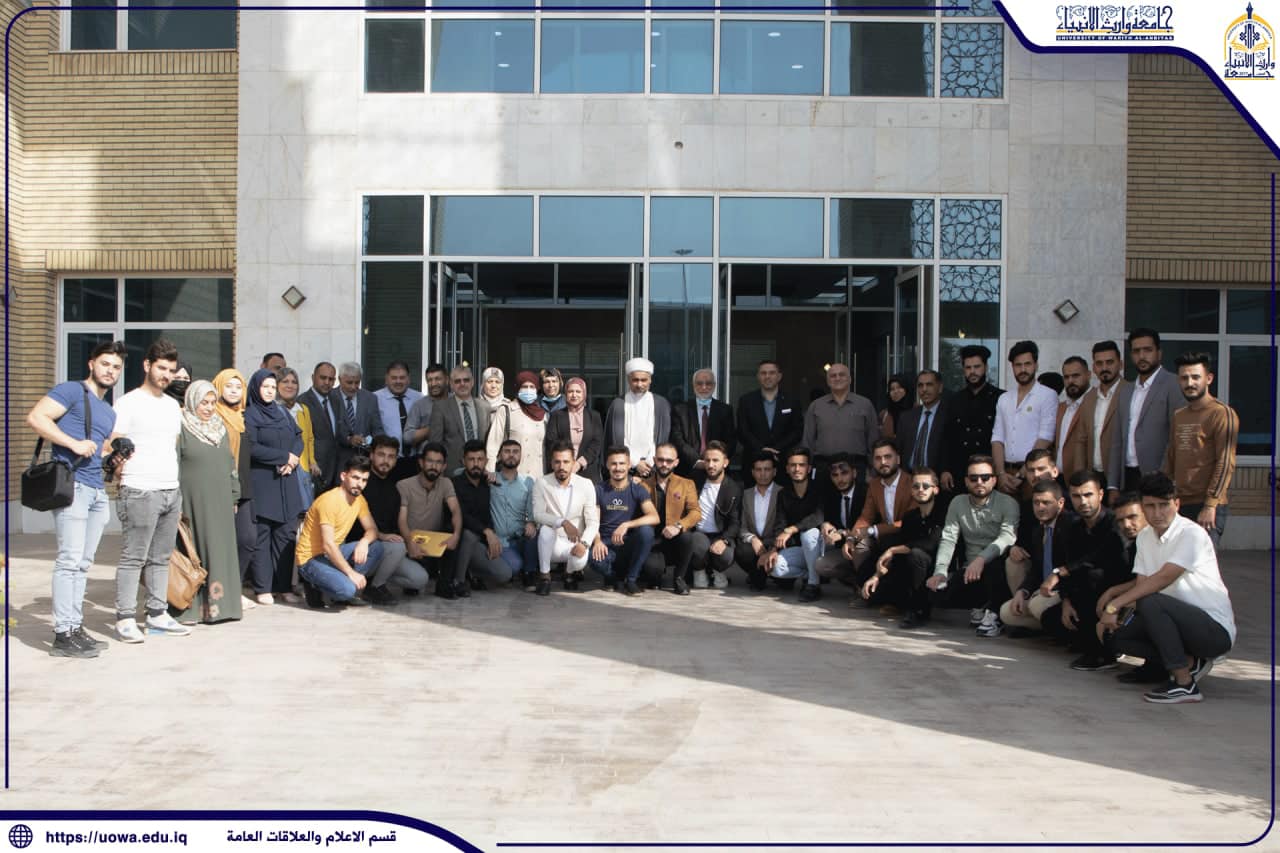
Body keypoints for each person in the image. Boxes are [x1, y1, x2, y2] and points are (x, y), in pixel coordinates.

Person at [1098, 473, 1236, 704]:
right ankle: (1189, 662)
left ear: (1177, 504)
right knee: (1117, 637)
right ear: (1143, 507)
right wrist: (1110, 616)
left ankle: (1185, 684)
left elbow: (1163, 578)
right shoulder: (1145, 537)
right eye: (1150, 506)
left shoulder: (1191, 534)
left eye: (1164, 505)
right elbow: (1142, 584)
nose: (1157, 513)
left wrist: (1114, 604)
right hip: (1174, 622)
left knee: (1151, 601)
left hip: (1213, 631)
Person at [26, 339, 124, 657]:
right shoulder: (71, 391)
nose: (110, 371)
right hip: (73, 487)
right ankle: (62, 634)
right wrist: (73, 443)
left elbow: (99, 449)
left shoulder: (108, 411)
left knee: (83, 564)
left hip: (97, 491)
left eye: (116, 367)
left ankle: (75, 625)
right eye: (105, 364)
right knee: (68, 561)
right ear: (91, 364)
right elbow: (37, 417)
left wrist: (115, 457)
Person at [106, 337, 191, 642]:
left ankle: (157, 614)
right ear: (147, 366)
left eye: (170, 370)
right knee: (134, 557)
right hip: (139, 489)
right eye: (161, 368)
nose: (166, 375)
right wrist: (119, 469)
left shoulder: (172, 406)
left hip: (170, 489)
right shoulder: (128, 402)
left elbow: (172, 446)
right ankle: (125, 618)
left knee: (161, 557)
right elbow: (112, 442)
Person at [926, 455, 1019, 638]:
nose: (979, 482)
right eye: (974, 478)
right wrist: (940, 571)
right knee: (937, 595)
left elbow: (1007, 537)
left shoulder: (1008, 503)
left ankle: (994, 614)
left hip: (998, 566)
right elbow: (949, 539)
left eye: (985, 477)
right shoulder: (958, 502)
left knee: (995, 565)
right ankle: (981, 605)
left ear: (994, 480)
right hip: (970, 570)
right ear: (966, 481)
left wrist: (981, 559)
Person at [173, 380, 242, 624]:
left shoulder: (219, 428)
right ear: (192, 402)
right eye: (204, 402)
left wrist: (234, 494)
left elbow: (230, 463)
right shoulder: (181, 428)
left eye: (213, 403)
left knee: (219, 550)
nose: (209, 408)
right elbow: (174, 464)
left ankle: (221, 607)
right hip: (192, 502)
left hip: (220, 501)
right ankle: (192, 609)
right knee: (194, 552)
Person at [1163, 351, 1238, 550]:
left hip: (1207, 505)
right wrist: (1164, 497)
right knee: (1177, 561)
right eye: (1184, 378)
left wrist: (1210, 504)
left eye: (1196, 377)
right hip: (1179, 503)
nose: (1190, 383)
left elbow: (1225, 462)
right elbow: (1171, 457)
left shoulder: (1222, 413)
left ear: (1209, 378)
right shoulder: (1179, 415)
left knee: (1201, 563)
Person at [861, 467, 950, 629]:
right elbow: (902, 547)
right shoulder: (910, 517)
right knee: (872, 581)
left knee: (916, 554)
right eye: (916, 486)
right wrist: (876, 575)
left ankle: (919, 610)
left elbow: (931, 543)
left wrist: (892, 550)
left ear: (935, 490)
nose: (920, 490)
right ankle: (900, 601)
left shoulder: (944, 512)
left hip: (939, 571)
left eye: (925, 486)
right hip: (913, 570)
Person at [245, 368, 304, 605]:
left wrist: (293, 459)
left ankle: (284, 587)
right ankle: (263, 588)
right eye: (265, 387)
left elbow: (298, 437)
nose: (269, 391)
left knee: (286, 534)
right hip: (264, 482)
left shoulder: (281, 412)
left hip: (286, 481)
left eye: (272, 387)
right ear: (255, 388)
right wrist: (283, 457)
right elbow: (251, 447)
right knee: (263, 536)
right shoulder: (251, 414)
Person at [348, 435, 430, 605]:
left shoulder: (394, 489)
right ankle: (375, 587)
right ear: (371, 455)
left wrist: (411, 544)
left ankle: (376, 578)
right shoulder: (361, 482)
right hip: (359, 548)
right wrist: (382, 536)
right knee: (397, 546)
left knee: (419, 579)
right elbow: (354, 523)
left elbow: (396, 526)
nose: (386, 461)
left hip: (385, 550)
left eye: (391, 456)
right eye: (381, 455)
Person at [295, 456, 385, 608]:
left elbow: (372, 530)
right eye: (355, 478)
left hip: (332, 552)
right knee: (347, 590)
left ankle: (338, 582)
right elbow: (328, 545)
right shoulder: (329, 501)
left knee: (376, 547)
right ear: (343, 476)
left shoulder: (359, 500)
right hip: (310, 559)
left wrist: (364, 542)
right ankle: (314, 584)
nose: (360, 484)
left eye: (364, 480)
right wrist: (351, 573)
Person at [832, 441, 912, 600]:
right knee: (860, 545)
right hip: (883, 539)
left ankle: (889, 597)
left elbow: (909, 521)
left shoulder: (911, 483)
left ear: (898, 459)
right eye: (878, 458)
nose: (883, 462)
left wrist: (873, 530)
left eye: (888, 457)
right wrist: (851, 539)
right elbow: (865, 517)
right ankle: (862, 590)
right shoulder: (874, 485)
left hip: (907, 538)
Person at [998, 479, 1072, 639]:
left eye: (1046, 503)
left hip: (1063, 590)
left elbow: (1073, 566)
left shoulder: (1070, 525)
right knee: (1007, 613)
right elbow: (1037, 569)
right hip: (1042, 590)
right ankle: (1048, 628)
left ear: (1060, 503)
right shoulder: (1038, 531)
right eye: (1036, 503)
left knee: (1036, 605)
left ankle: (1065, 631)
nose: (1040, 507)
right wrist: (1022, 591)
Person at [1113, 328, 1182, 492]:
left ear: (1159, 353)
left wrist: (1165, 475)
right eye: (1136, 351)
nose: (1142, 356)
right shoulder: (1126, 391)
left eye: (1147, 350)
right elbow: (1117, 440)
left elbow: (1177, 436)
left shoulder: (1174, 384)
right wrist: (1113, 485)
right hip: (1127, 476)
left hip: (1158, 477)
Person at [212, 368, 257, 610]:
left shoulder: (242, 416)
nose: (233, 391)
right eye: (228, 386)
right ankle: (220, 592)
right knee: (224, 543)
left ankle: (233, 588)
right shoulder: (214, 416)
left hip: (245, 487)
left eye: (238, 387)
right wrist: (228, 491)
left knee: (247, 540)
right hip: (224, 487)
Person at [398, 442, 466, 600]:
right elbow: (401, 520)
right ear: (421, 462)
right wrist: (409, 542)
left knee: (455, 529)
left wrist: (456, 535)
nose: (434, 466)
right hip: (410, 541)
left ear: (444, 466)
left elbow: (455, 510)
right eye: (430, 461)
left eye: (438, 462)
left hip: (434, 542)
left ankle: (444, 585)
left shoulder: (446, 483)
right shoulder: (404, 485)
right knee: (417, 581)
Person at [532, 442, 600, 597]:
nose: (561, 466)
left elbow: (593, 521)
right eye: (557, 462)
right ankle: (545, 577)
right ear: (551, 463)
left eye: (566, 462)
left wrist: (584, 543)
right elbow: (538, 514)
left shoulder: (586, 484)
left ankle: (569, 573)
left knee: (579, 561)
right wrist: (562, 522)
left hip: (575, 542)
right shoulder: (542, 483)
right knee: (545, 530)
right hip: (551, 543)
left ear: (573, 463)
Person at [589, 446, 660, 595]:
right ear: (607, 465)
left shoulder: (638, 489)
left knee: (647, 531)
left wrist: (627, 524)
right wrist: (597, 541)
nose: (618, 468)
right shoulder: (598, 489)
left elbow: (654, 517)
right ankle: (612, 578)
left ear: (629, 465)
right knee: (592, 559)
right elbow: (593, 520)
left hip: (628, 545)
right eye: (613, 463)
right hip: (606, 545)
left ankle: (631, 580)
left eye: (622, 463)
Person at [991, 340, 1058, 496]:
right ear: (1012, 367)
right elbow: (997, 438)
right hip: (1005, 474)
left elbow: (1046, 437)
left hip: (1034, 473)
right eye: (1018, 365)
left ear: (1036, 365)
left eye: (1027, 364)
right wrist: (1000, 474)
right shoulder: (1004, 399)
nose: (1023, 370)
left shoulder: (1047, 395)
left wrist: (1022, 473)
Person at [452, 440, 517, 591]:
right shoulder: (454, 483)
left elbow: (489, 514)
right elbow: (461, 515)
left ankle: (472, 572)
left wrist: (491, 536)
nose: (476, 464)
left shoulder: (487, 484)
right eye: (471, 459)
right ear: (463, 461)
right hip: (458, 540)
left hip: (479, 541)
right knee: (469, 534)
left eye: (480, 459)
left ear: (486, 461)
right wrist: (487, 531)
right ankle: (458, 581)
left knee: (504, 574)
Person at [762, 447, 824, 600]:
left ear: (809, 468)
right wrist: (774, 549)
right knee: (775, 568)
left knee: (808, 534)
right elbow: (780, 523)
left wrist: (792, 529)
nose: (797, 469)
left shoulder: (819, 488)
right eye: (793, 465)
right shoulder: (783, 494)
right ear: (787, 469)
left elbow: (818, 516)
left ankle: (813, 584)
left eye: (801, 465)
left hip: (821, 545)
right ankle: (810, 574)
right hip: (800, 549)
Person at [641, 442, 702, 594]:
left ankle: (679, 578)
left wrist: (678, 526)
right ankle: (655, 574)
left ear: (676, 462)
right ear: (654, 460)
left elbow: (695, 512)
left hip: (676, 539)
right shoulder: (643, 485)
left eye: (669, 461)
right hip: (653, 541)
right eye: (660, 460)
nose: (664, 464)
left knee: (688, 537)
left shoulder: (687, 484)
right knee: (652, 571)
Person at [940, 344, 1002, 492]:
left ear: (986, 367)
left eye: (977, 367)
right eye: (968, 368)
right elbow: (946, 437)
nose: (972, 372)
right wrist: (945, 469)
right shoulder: (954, 400)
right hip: (959, 472)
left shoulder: (1000, 398)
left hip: (988, 474)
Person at [809, 452, 868, 596]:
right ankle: (856, 582)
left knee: (861, 547)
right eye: (835, 475)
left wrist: (842, 533)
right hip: (844, 549)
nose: (840, 479)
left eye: (844, 473)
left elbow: (868, 524)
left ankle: (864, 587)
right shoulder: (831, 494)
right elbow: (819, 513)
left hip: (865, 544)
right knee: (821, 565)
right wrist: (825, 524)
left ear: (854, 473)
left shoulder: (866, 493)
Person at [802, 362, 878, 473]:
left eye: (842, 375)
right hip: (823, 467)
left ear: (850, 379)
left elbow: (873, 440)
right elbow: (808, 441)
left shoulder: (865, 405)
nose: (837, 378)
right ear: (828, 381)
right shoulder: (816, 406)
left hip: (857, 467)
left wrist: (873, 471)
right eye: (833, 376)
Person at [1078, 340, 1129, 504]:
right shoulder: (1089, 398)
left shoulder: (1130, 393)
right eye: (1099, 363)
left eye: (1109, 362)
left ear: (1120, 364)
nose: (1104, 368)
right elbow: (1082, 439)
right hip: (1093, 478)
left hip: (1123, 479)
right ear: (1094, 368)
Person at [688, 441, 743, 590]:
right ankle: (699, 570)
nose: (711, 465)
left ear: (725, 463)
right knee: (696, 543)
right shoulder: (694, 482)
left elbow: (735, 522)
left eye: (715, 460)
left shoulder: (734, 488)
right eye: (707, 460)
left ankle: (717, 571)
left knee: (726, 555)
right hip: (699, 533)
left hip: (720, 534)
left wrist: (724, 540)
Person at [604, 357, 672, 477]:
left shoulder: (661, 404)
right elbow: (616, 439)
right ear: (628, 380)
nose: (639, 384)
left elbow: (664, 437)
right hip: (625, 469)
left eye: (643, 380)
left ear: (650, 380)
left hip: (655, 467)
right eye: (635, 380)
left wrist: (650, 461)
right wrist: (635, 462)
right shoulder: (618, 404)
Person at [736, 359, 803, 478]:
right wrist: (762, 449)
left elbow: (797, 431)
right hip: (753, 461)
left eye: (772, 373)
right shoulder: (746, 401)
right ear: (758, 376)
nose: (767, 376)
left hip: (783, 461)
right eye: (763, 373)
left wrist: (777, 448)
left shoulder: (792, 401)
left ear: (779, 376)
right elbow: (742, 431)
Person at [671, 369, 736, 484]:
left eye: (708, 383)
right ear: (693, 386)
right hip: (688, 469)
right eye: (699, 383)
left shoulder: (725, 410)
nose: (704, 387)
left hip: (717, 470)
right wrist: (696, 460)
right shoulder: (680, 410)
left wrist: (714, 461)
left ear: (714, 386)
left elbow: (731, 440)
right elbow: (677, 439)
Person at [490, 439, 539, 588]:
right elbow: (459, 472)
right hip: (500, 540)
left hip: (519, 537)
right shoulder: (491, 479)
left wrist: (531, 522)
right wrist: (486, 473)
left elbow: (532, 510)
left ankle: (529, 573)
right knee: (515, 565)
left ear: (521, 456)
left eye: (515, 452)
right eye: (507, 451)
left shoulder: (528, 482)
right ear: (499, 456)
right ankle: (517, 568)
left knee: (536, 533)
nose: (511, 455)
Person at [299, 362, 351, 492]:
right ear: (313, 378)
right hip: (314, 470)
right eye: (323, 378)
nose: (327, 382)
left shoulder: (335, 400)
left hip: (336, 470)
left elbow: (336, 434)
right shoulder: (302, 402)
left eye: (331, 379)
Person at [430, 365, 490, 475]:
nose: (462, 384)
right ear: (451, 384)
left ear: (472, 382)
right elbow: (435, 444)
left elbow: (488, 441)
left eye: (466, 380)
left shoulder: (484, 406)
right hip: (452, 471)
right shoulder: (440, 407)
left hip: (480, 470)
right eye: (457, 381)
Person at [735, 452, 782, 592]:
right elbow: (741, 526)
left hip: (776, 545)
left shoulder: (783, 493)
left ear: (774, 472)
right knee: (742, 551)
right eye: (758, 469)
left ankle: (771, 575)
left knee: (786, 584)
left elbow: (784, 525)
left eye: (767, 469)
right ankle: (757, 575)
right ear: (753, 472)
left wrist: (773, 548)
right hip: (754, 546)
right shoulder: (745, 494)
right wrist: (753, 538)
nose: (763, 474)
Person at [487, 371, 547, 479]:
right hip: (513, 475)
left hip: (539, 476)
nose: (528, 390)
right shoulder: (506, 410)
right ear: (518, 388)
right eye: (524, 387)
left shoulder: (544, 415)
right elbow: (493, 444)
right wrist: (490, 471)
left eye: (532, 387)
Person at [544, 376, 604, 482]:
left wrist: (579, 463)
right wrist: (566, 462)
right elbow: (551, 441)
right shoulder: (556, 416)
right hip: (561, 471)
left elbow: (596, 443)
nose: (574, 395)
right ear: (566, 394)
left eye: (578, 391)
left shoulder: (594, 416)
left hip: (587, 472)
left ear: (584, 394)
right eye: (570, 391)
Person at [275, 366, 318, 511]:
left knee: (305, 511)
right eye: (285, 381)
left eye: (294, 382)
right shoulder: (272, 409)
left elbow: (309, 438)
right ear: (277, 385)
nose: (290, 385)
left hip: (302, 469)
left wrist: (312, 461)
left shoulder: (303, 409)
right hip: (283, 466)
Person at [373, 359, 423, 481]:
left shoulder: (419, 398)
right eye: (394, 378)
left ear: (408, 379)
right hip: (386, 462)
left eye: (402, 378)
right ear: (386, 379)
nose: (398, 381)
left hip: (414, 460)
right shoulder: (375, 399)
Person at [336, 362, 385, 467]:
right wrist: (348, 439)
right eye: (349, 382)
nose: (353, 387)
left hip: (364, 459)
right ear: (339, 379)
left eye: (357, 382)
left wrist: (373, 442)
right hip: (337, 460)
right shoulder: (331, 397)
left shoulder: (370, 398)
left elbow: (377, 429)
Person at [897, 369, 947, 474]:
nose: (924, 389)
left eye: (929, 385)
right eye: (920, 385)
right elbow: (899, 449)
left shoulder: (948, 416)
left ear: (940, 388)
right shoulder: (906, 417)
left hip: (936, 476)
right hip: (908, 476)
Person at [1055, 356, 1091, 481]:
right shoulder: (1060, 407)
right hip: (1058, 479)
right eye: (1066, 377)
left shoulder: (1095, 403)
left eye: (1076, 376)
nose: (1070, 381)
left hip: (1083, 480)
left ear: (1088, 375)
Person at [403, 363, 450, 455]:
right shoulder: (419, 405)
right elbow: (407, 437)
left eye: (437, 379)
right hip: (427, 459)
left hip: (453, 457)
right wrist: (432, 428)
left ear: (447, 380)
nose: (433, 384)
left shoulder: (455, 401)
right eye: (429, 380)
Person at [879, 374, 913, 439]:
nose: (896, 391)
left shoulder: (916, 410)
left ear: (906, 389)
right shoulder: (884, 414)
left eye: (899, 387)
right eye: (892, 389)